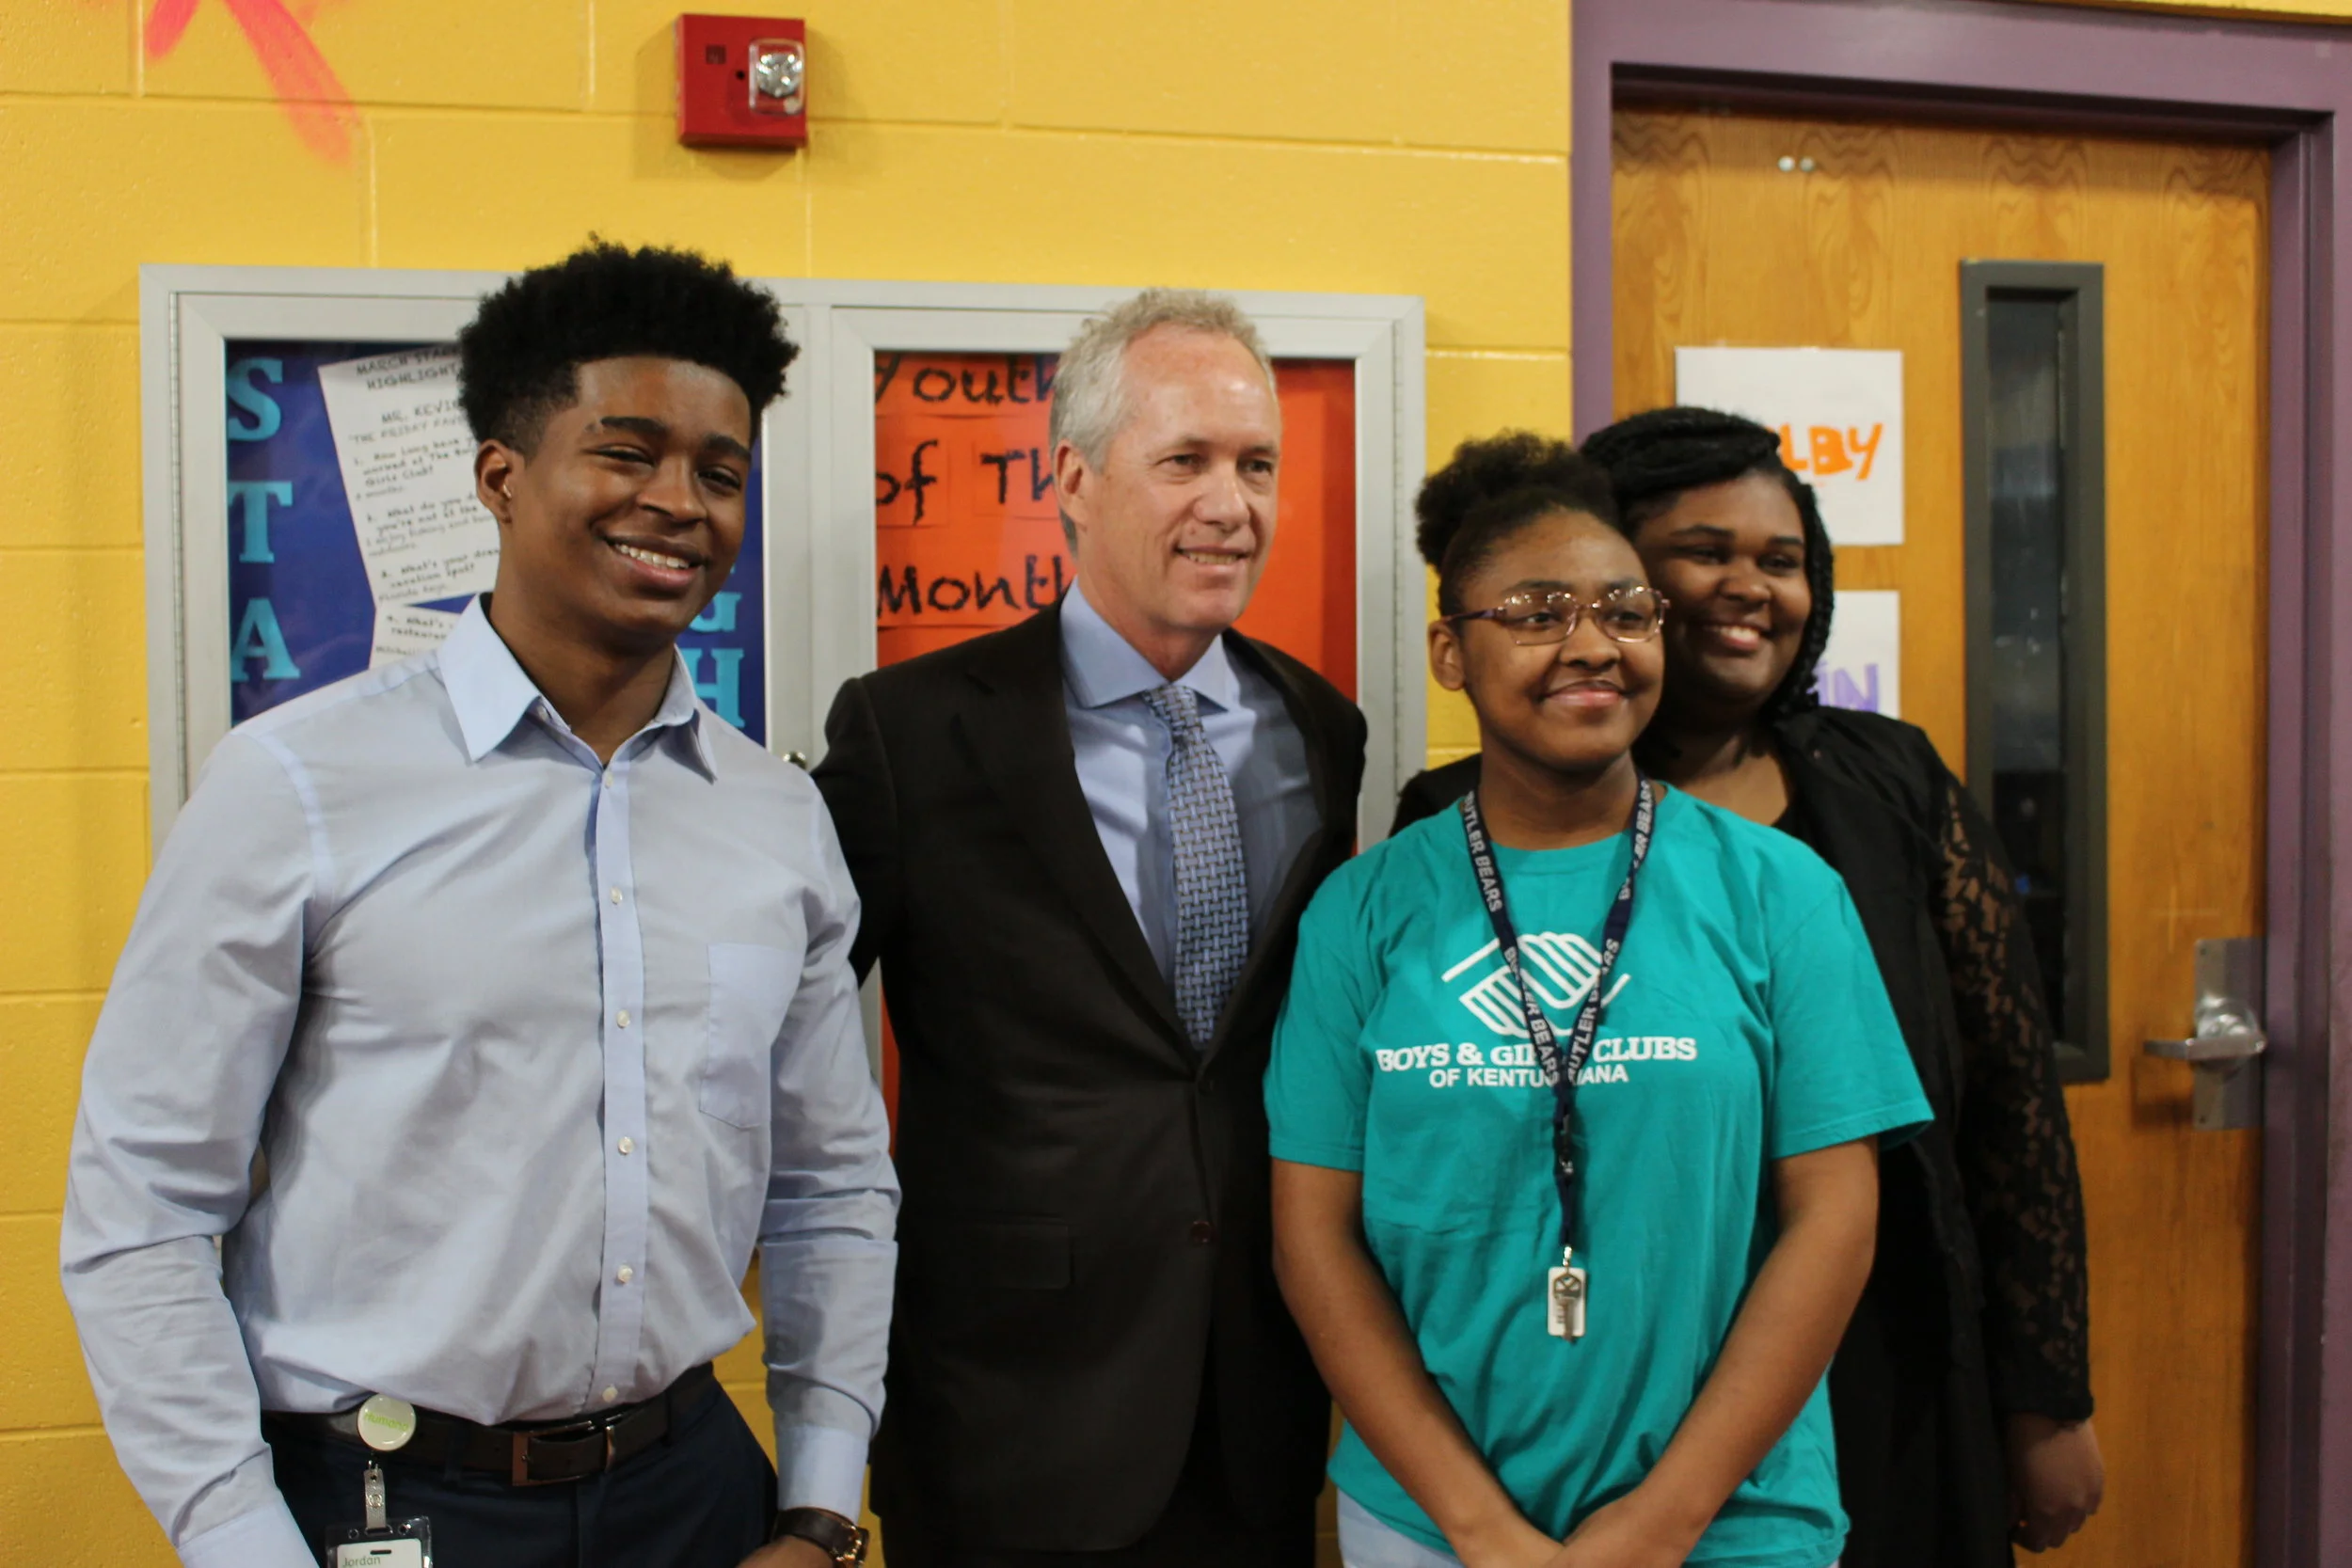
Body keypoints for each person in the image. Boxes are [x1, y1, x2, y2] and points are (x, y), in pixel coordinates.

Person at [61, 242, 897, 1568]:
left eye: (720, 470)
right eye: (626, 451)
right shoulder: (296, 784)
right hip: (385, 1500)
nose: (678, 501)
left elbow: (832, 1188)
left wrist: (817, 1501)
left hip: (694, 1493)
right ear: (501, 477)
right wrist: (239, 1538)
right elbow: (145, 1205)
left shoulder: (773, 817)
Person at [1392, 409, 2102, 1565]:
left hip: (1885, 1355)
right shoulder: (1457, 827)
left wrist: (2046, 1396)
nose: (1748, 587)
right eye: (1704, 550)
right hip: (1594, 1397)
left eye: (1781, 561)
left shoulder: (1892, 787)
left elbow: (2013, 1112)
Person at [1269, 433, 1932, 1568]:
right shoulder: (1362, 910)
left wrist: (1659, 1521)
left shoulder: (1779, 890)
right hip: (1431, 1525)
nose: (1591, 645)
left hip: (1732, 1520)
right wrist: (1477, 1527)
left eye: (1625, 611)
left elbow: (1835, 1219)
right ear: (1449, 650)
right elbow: (1314, 1231)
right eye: (1535, 612)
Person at [812, 289, 1366, 1567]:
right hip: (1009, 1414)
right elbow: (793, 1041)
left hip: (1257, 1405)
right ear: (1072, 474)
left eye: (1256, 463)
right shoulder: (913, 731)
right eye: (1187, 459)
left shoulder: (1322, 729)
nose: (1231, 503)